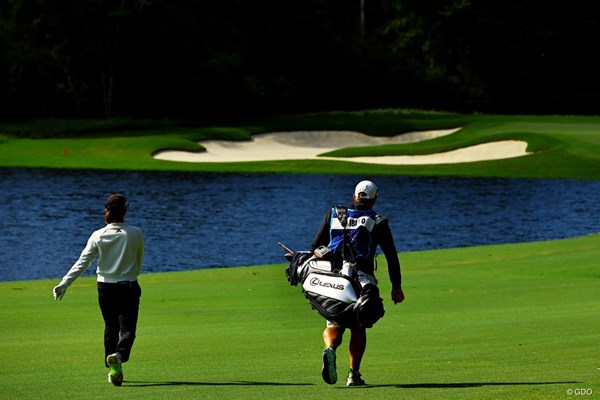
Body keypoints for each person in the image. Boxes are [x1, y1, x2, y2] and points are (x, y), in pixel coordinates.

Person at [310, 180, 405, 386]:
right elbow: (391, 256)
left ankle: (330, 349)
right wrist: (396, 287)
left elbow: (315, 246)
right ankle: (353, 374)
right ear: (374, 199)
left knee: (334, 323)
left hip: (333, 279)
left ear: (354, 196)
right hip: (362, 280)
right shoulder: (378, 221)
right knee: (358, 325)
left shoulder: (334, 212)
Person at [52, 194, 144, 387]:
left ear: (107, 211)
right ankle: (118, 356)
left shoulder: (98, 235)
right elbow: (138, 262)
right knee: (127, 330)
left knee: (111, 328)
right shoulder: (136, 232)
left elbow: (83, 262)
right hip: (128, 285)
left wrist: (64, 283)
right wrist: (130, 274)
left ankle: (114, 369)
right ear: (125, 211)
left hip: (105, 287)